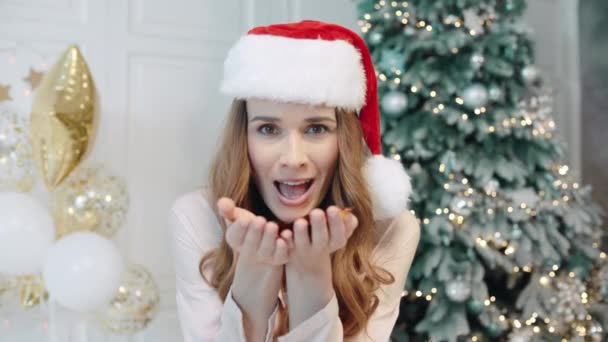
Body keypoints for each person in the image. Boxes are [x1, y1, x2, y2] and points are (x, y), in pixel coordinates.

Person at [168, 20, 421, 342]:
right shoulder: (197, 218)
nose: (293, 157)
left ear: (343, 139)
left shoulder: (390, 230)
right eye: (269, 129)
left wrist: (311, 275)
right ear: (243, 138)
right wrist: (252, 285)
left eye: (316, 129)